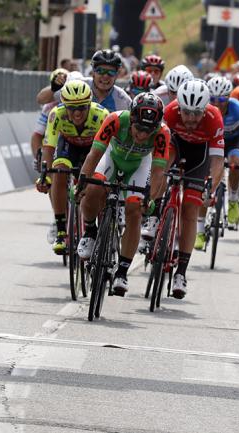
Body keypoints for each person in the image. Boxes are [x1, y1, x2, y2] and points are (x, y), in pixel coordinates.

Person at [76, 92, 169, 296]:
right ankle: (91, 231)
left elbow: (158, 172)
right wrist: (83, 181)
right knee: (93, 189)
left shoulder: (163, 132)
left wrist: (150, 198)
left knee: (135, 209)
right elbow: (95, 154)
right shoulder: (116, 119)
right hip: (112, 157)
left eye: (148, 131)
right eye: (139, 128)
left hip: (139, 165)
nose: (142, 135)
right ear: (132, 118)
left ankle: (122, 272)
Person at [162, 80, 225, 298]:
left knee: (190, 209)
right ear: (178, 106)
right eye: (186, 112)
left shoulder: (213, 118)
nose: (190, 119)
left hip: (200, 158)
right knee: (162, 169)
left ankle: (181, 272)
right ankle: (154, 217)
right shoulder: (169, 112)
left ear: (205, 109)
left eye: (196, 114)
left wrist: (211, 185)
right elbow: (158, 149)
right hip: (175, 147)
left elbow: (218, 161)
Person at [37, 80, 109, 254]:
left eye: (82, 108)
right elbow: (48, 146)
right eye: (71, 108)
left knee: (100, 181)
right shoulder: (56, 114)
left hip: (94, 149)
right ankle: (61, 230)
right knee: (59, 170)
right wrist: (45, 174)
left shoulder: (101, 115)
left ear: (89, 104)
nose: (77, 113)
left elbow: (110, 150)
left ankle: (105, 221)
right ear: (63, 105)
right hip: (69, 147)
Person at [199, 76, 239, 236]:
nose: (217, 103)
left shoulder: (237, 107)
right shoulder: (204, 108)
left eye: (222, 99)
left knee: (234, 163)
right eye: (212, 99)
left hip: (234, 142)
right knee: (206, 179)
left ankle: (232, 199)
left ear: (229, 97)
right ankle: (200, 228)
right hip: (213, 142)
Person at [37, 49, 132, 112]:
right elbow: (41, 100)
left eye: (111, 72)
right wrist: (53, 89)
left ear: (117, 75)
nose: (105, 76)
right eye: (100, 71)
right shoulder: (78, 85)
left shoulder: (123, 100)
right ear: (93, 72)